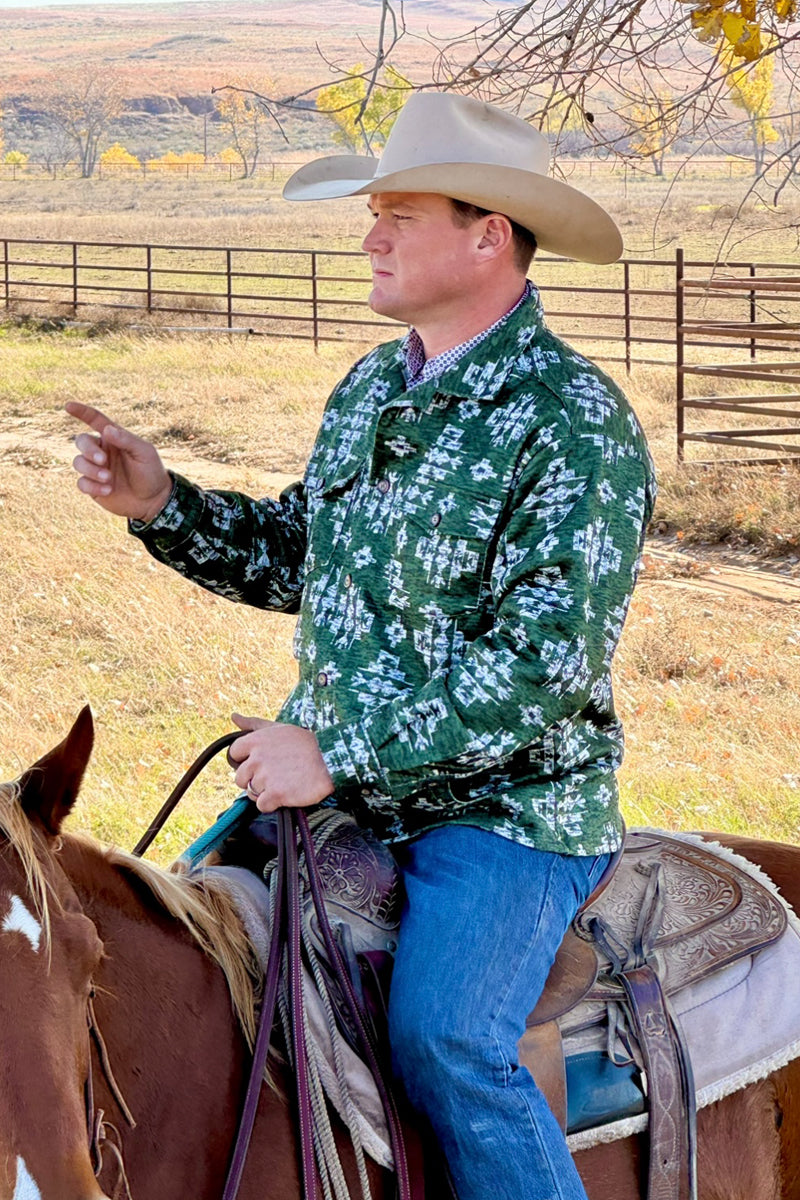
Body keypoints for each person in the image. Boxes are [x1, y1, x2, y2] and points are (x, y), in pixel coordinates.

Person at [68, 92, 656, 1200]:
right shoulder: (373, 389)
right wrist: (162, 504)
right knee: (173, 962)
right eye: (371, 213)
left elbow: (544, 667)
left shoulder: (572, 421)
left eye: (399, 215)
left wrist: (337, 754)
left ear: (488, 236)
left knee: (448, 1041)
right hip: (337, 794)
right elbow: (305, 556)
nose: (370, 236)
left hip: (507, 812)